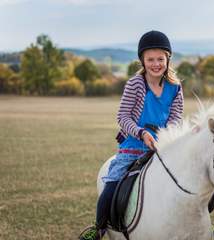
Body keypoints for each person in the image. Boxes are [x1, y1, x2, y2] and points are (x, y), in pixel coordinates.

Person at [78, 30, 184, 240]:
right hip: (133, 148)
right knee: (112, 186)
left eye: (160, 59)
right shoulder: (135, 84)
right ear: (142, 61)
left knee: (188, 181)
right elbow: (123, 117)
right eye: (150, 59)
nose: (156, 64)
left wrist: (165, 135)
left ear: (168, 59)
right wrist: (141, 132)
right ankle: (98, 227)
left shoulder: (175, 87)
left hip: (162, 148)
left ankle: (202, 226)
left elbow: (176, 117)